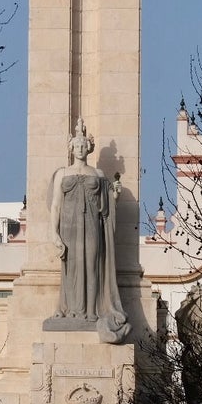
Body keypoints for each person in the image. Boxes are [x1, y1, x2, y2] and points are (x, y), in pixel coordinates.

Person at [48, 118, 129, 343]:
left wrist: (115, 196)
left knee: (93, 264)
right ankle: (73, 311)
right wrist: (53, 233)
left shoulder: (99, 174)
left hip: (92, 225)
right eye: (77, 145)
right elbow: (55, 205)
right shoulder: (62, 174)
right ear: (71, 148)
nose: (81, 148)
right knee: (72, 268)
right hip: (69, 227)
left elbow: (106, 206)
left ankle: (92, 311)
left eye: (84, 145)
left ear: (89, 147)